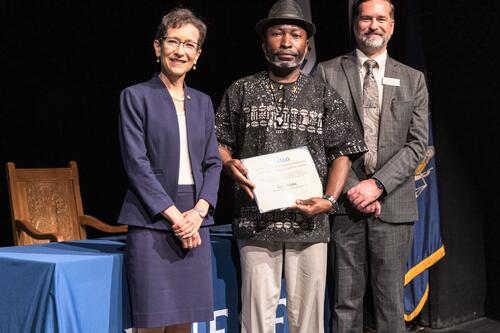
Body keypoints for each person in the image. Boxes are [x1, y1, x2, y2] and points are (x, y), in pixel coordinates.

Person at [215, 1, 367, 332]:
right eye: (277, 33)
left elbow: (343, 150)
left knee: (308, 318)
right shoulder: (241, 90)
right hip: (256, 219)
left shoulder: (323, 92)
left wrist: (328, 200)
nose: (286, 42)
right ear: (263, 42)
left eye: (295, 35)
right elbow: (219, 141)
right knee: (256, 317)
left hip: (310, 222)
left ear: (306, 44)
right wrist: (228, 163)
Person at [314, 0, 429, 332]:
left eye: (381, 19)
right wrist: (353, 188)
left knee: (390, 302)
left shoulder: (413, 79)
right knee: (345, 302)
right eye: (366, 18)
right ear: (355, 25)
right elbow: (322, 139)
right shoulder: (327, 71)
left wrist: (377, 185)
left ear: (392, 26)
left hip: (393, 206)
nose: (373, 25)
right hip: (344, 205)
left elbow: (417, 143)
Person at [117, 8, 222, 333]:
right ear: (157, 47)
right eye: (173, 42)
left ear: (198, 54)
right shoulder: (135, 96)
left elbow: (213, 162)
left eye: (189, 45)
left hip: (195, 220)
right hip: (153, 222)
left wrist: (199, 213)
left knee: (184, 323)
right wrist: (178, 218)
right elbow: (137, 165)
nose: (180, 51)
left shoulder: (202, 101)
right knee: (151, 323)